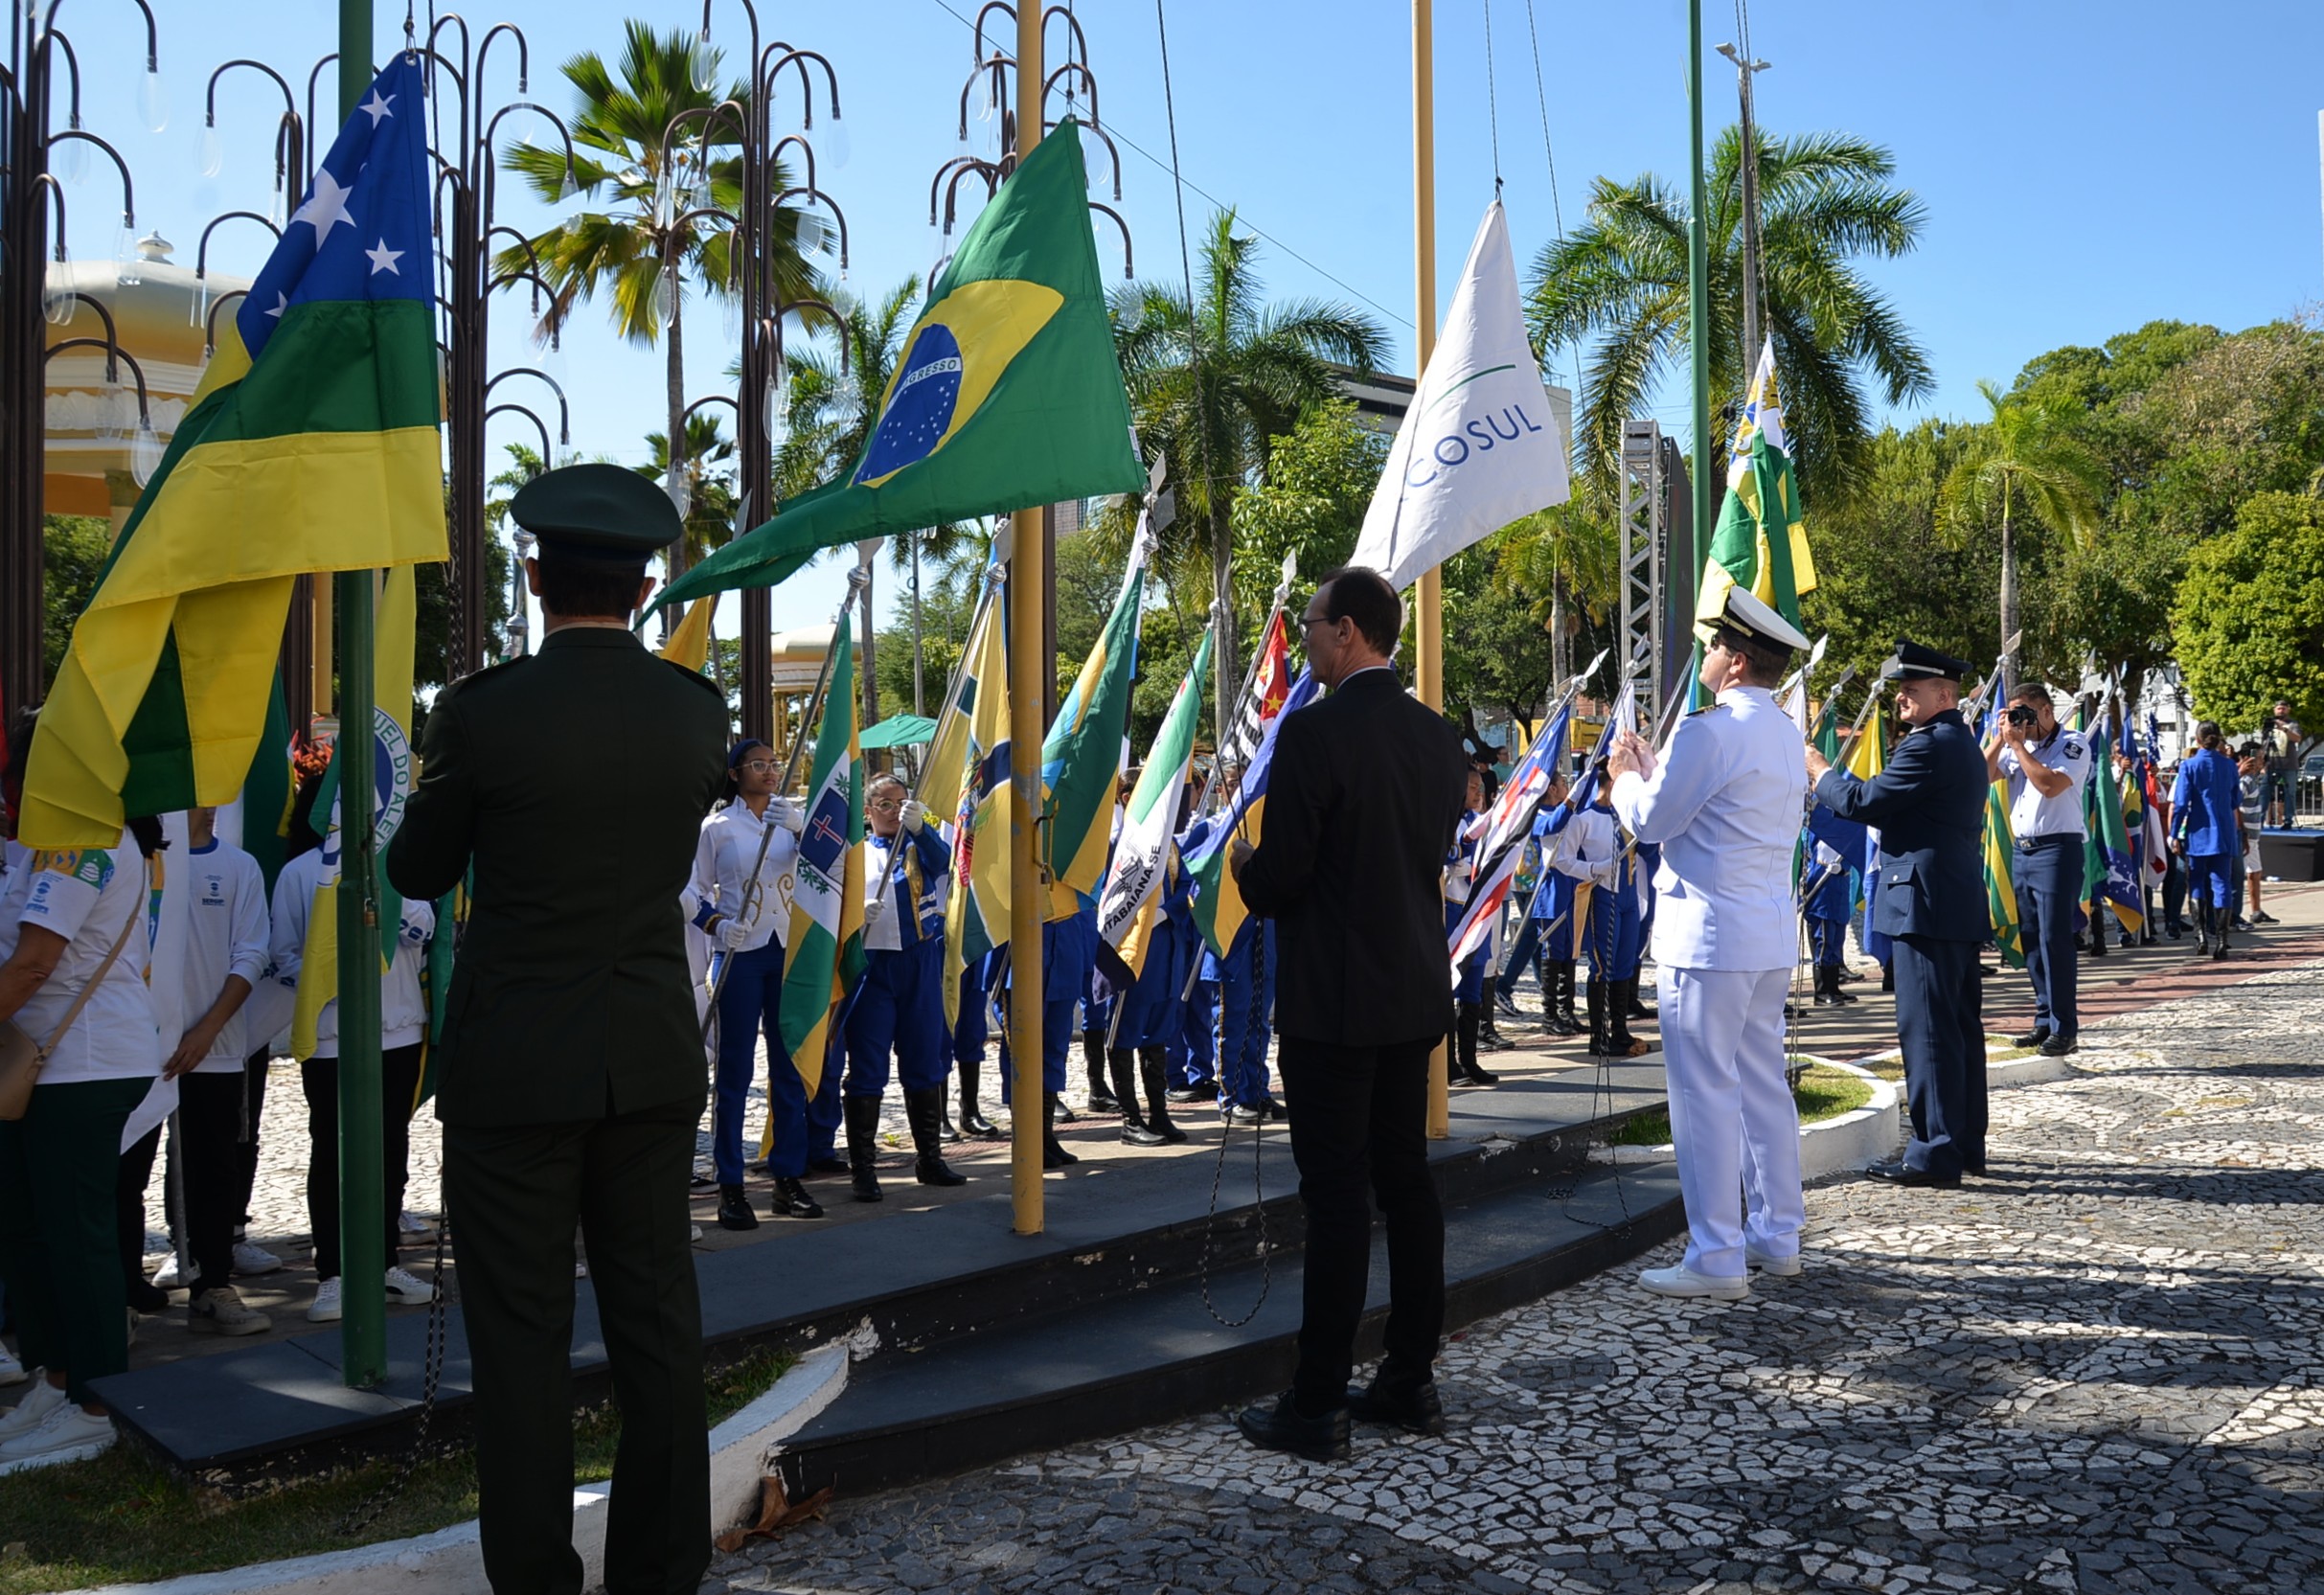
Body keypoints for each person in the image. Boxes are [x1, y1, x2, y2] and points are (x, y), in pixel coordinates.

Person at [384, 463, 728, 1595]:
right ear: (642, 588)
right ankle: (658, 1577)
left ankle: (535, 1581)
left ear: (533, 578)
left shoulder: (481, 712)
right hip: (648, 1057)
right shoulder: (695, 712)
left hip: (517, 1065)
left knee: (521, 1344)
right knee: (658, 1334)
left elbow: (417, 866)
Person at [1228, 566, 1468, 1461]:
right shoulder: (1439, 737)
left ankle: (1319, 1399)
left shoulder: (1315, 733)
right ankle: (1409, 1375)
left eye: (1313, 622)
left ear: (1350, 631)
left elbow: (1284, 876)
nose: (1306, 637)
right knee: (1406, 1184)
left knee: (1336, 1197)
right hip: (1411, 991)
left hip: (1334, 1003)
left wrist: (1244, 866)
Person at [1607, 589, 1811, 1299]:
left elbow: (1653, 821)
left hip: (1707, 938)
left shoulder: (1712, 730)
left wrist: (1625, 781)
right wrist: (1654, 767)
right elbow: (1707, 804)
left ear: (1737, 661)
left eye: (1717, 645)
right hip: (1764, 934)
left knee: (1703, 1094)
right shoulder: (1782, 731)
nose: (1709, 654)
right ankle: (1778, 1235)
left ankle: (1716, 1254)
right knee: (1762, 1087)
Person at [0, 709, 167, 1474]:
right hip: (46, 1061)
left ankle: (98, 1405)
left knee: (77, 1233)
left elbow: (34, 962)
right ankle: (60, 1377)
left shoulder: (84, 838)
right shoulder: (56, 837)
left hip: (84, 1060)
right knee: (32, 1228)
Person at [1806, 641, 1989, 1189]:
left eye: (1912, 690)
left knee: (1928, 1031)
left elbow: (1862, 802)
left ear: (1944, 695)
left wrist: (1820, 771)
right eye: (1901, 690)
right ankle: (1964, 1143)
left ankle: (1934, 1154)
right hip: (1950, 899)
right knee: (1958, 1029)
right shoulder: (1959, 741)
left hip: (1924, 905)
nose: (1901, 698)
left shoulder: (1929, 746)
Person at [269, 782, 438, 1324]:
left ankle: (385, 1262)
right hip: (330, 1038)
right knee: (331, 1151)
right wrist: (331, 974)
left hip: (398, 1032)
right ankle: (333, 1274)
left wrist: (383, 891)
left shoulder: (400, 867)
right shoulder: (300, 874)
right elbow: (283, 957)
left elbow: (422, 931)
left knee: (391, 1150)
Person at [692, 741, 815, 1227]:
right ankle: (730, 1184)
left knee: (788, 1069)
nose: (769, 771)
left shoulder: (791, 820)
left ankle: (788, 1176)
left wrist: (803, 831)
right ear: (734, 773)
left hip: (787, 954)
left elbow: (824, 873)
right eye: (758, 764)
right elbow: (692, 890)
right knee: (734, 1073)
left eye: (773, 764)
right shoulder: (717, 827)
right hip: (740, 955)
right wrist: (717, 925)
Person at [161, 806, 271, 1336]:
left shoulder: (239, 866)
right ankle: (124, 1293)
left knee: (215, 1166)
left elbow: (251, 954)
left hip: (216, 1047)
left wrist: (206, 1031)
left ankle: (213, 1285)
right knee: (126, 1172)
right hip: (140, 1047)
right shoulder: (144, 859)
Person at [833, 774, 965, 1198]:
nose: (894, 811)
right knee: (867, 1067)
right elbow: (829, 901)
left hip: (919, 961)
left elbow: (947, 865)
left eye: (902, 803)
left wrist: (921, 829)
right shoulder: (854, 853)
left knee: (924, 1060)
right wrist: (856, 914)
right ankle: (863, 1170)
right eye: (886, 805)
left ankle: (930, 1158)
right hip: (872, 967)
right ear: (868, 811)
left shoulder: (918, 846)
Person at [1985, 684, 2091, 1059]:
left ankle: (2065, 1028)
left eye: (2026, 714)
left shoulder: (2073, 743)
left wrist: (2017, 747)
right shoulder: (2018, 744)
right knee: (2031, 939)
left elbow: (2050, 785)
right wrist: (2000, 738)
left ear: (2046, 711)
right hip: (2023, 851)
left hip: (2057, 850)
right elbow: (1978, 777)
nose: (2022, 723)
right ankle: (2044, 1018)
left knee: (2054, 940)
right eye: (2015, 714)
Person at [1445, 766, 1500, 1087]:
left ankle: (1469, 1058)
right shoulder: (1446, 820)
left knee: (1473, 988)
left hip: (1476, 911)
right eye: (1472, 786)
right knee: (1449, 986)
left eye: (1480, 787)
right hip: (1452, 909)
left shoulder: (1479, 822)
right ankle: (1447, 1063)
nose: (1479, 793)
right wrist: (1461, 863)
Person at [2169, 722, 2240, 962]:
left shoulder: (2189, 765)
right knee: (2222, 883)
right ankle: (2221, 941)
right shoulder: (2229, 765)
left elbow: (2180, 803)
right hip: (2224, 830)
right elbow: (2235, 799)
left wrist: (2174, 833)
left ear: (2197, 739)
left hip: (2198, 830)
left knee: (2196, 881)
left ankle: (2200, 937)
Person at [1803, 807, 1866, 1006]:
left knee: (1837, 937)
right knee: (1824, 939)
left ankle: (1833, 986)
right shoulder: (1822, 818)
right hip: (1824, 881)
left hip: (1840, 881)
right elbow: (1821, 851)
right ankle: (1822, 991)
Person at [2235, 744, 2271, 928]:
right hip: (2246, 834)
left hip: (2252, 834)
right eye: (2258, 757)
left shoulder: (2254, 779)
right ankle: (2235, 915)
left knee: (2255, 871)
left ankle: (2256, 910)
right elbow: (2235, 804)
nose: (2261, 761)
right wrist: (2242, 830)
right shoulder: (2245, 780)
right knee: (2242, 874)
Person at [2260, 700, 2302, 828]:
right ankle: (2259, 819)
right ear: (2274, 710)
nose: (2281, 711)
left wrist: (2283, 728)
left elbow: (2297, 738)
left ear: (2288, 710)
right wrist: (2262, 763)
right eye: (2278, 708)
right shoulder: (2269, 724)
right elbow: (2264, 744)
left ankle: (2288, 820)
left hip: (2288, 765)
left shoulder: (2293, 724)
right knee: (2264, 791)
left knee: (2290, 793)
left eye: (2283, 708)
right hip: (2271, 764)